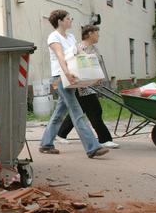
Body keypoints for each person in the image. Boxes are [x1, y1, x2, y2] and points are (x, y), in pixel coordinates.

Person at [38, 10, 109, 158]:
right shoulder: (53, 37)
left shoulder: (70, 37)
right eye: (68, 18)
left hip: (72, 76)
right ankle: (92, 147)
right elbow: (60, 56)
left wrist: (92, 75)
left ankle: (46, 144)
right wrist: (67, 74)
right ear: (60, 21)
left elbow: (79, 56)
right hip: (60, 77)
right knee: (76, 111)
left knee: (59, 112)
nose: (71, 20)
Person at [55, 25, 119, 149]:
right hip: (82, 86)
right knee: (95, 111)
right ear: (89, 33)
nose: (98, 35)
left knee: (79, 111)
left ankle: (61, 134)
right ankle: (104, 139)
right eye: (97, 33)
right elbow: (73, 65)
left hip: (90, 85)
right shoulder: (79, 48)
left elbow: (95, 65)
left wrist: (98, 77)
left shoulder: (94, 48)